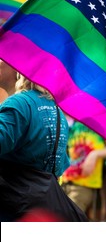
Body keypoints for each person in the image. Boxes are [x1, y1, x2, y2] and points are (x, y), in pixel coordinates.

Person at [0, 73, 70, 221]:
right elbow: (60, 167)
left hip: (11, 208)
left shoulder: (18, 104)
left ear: (18, 71)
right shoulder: (58, 112)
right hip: (42, 211)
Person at [61, 119, 106, 220]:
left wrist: (95, 155)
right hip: (64, 181)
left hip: (85, 185)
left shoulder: (100, 122)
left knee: (69, 216)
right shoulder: (71, 123)